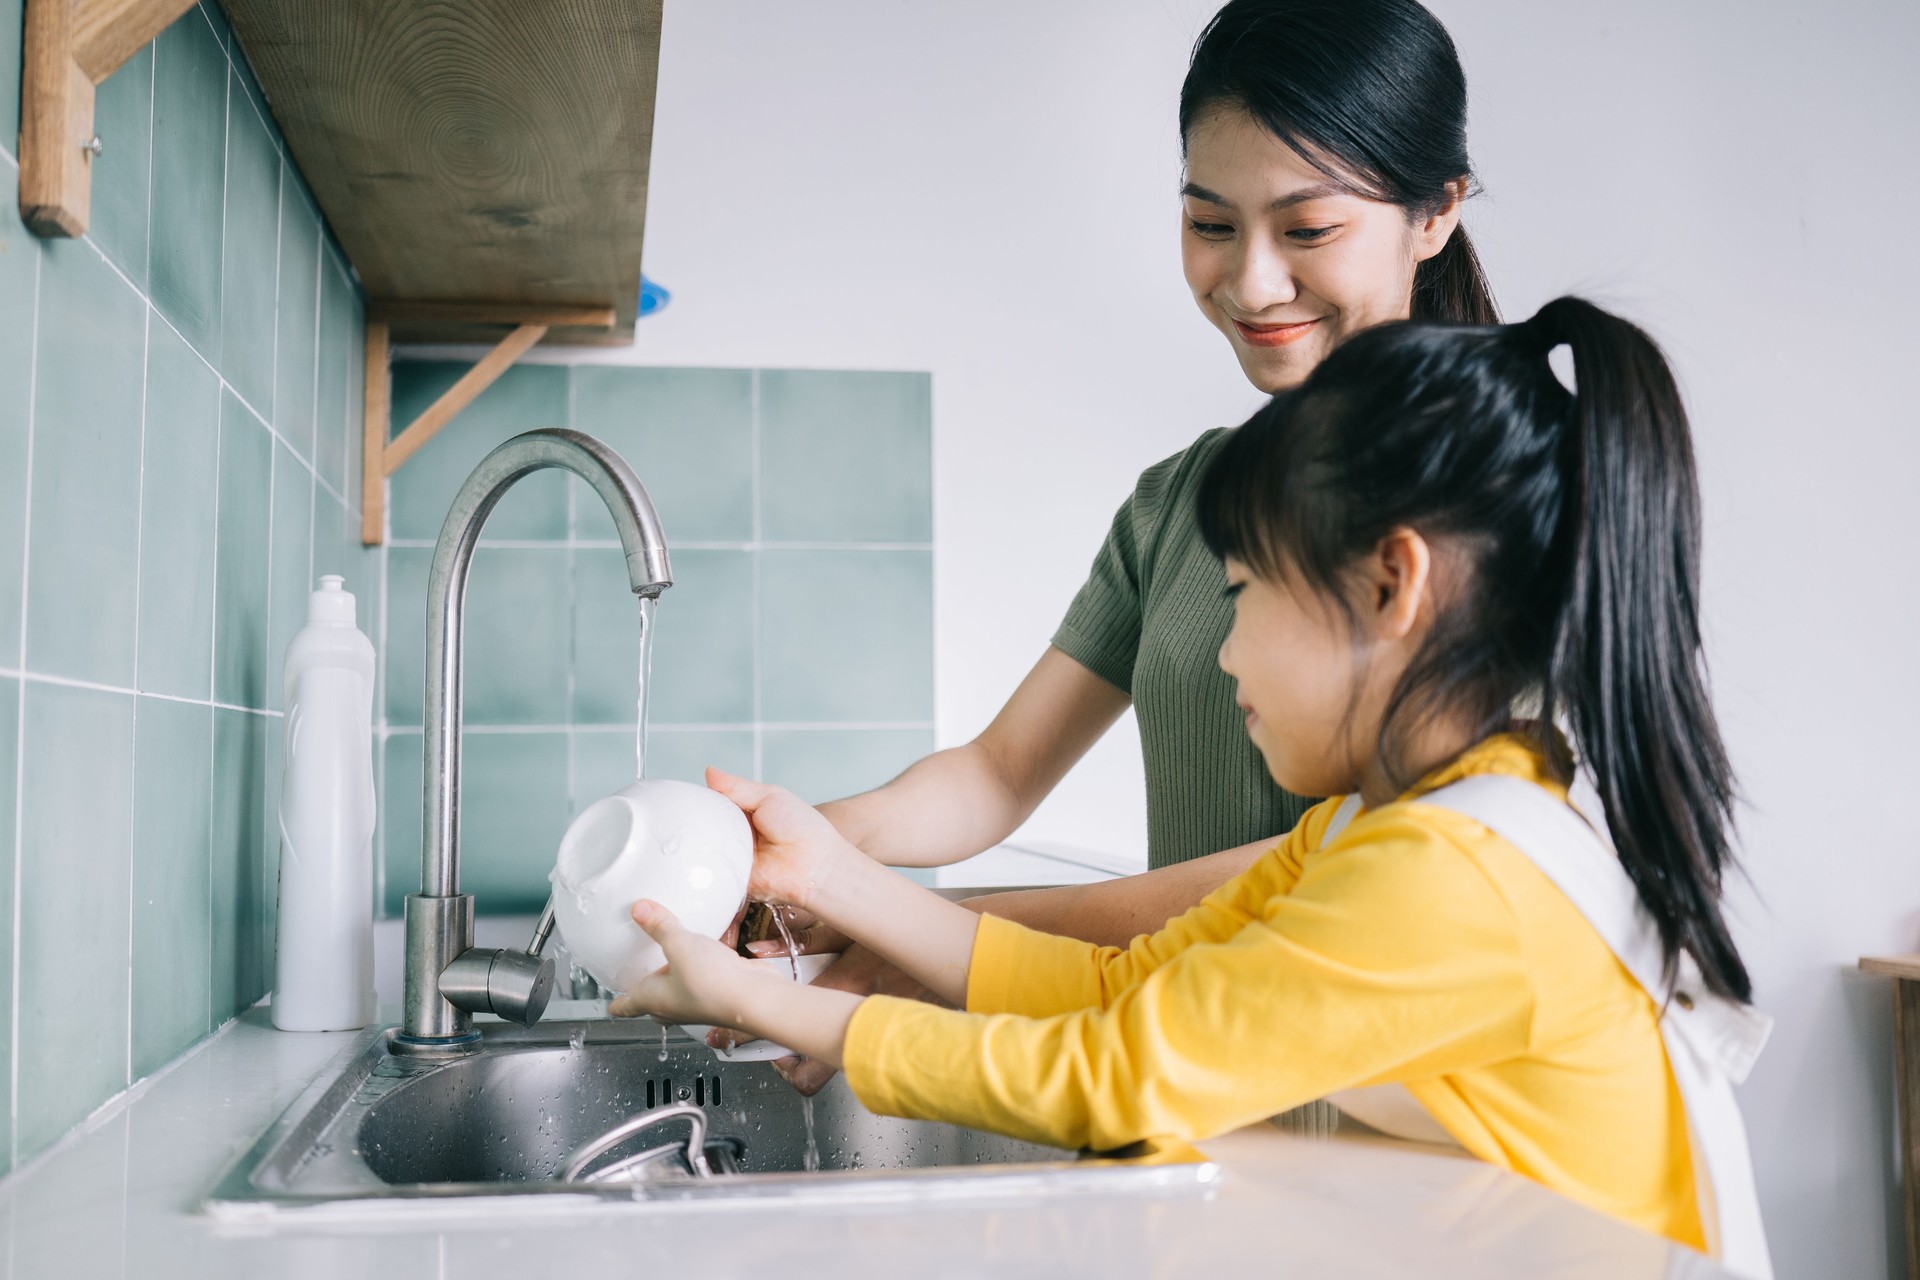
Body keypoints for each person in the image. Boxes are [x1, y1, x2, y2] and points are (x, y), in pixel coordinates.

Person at [614, 297, 1773, 1274]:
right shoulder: (1397, 824)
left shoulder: (1451, 877)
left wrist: (761, 997)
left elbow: (1111, 1076)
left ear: (1389, 583)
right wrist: (836, 876)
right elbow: (1127, 991)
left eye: (1244, 594)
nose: (1221, 655)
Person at [750, 0, 1504, 1093]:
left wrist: (916, 926)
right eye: (1210, 223)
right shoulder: (1182, 499)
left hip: (1408, 1126)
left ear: (1435, 213)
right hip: (1193, 1090)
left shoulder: (1498, 507)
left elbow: (1353, 873)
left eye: (1308, 230)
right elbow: (998, 771)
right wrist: (801, 846)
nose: (1252, 281)